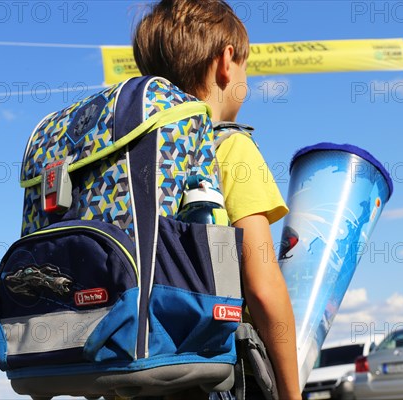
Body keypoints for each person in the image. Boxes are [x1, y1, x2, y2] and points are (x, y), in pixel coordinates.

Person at [132, 1, 301, 399]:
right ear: (227, 62)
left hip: (144, 371)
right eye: (246, 68)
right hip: (215, 374)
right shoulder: (229, 147)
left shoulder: (140, 159)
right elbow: (263, 287)